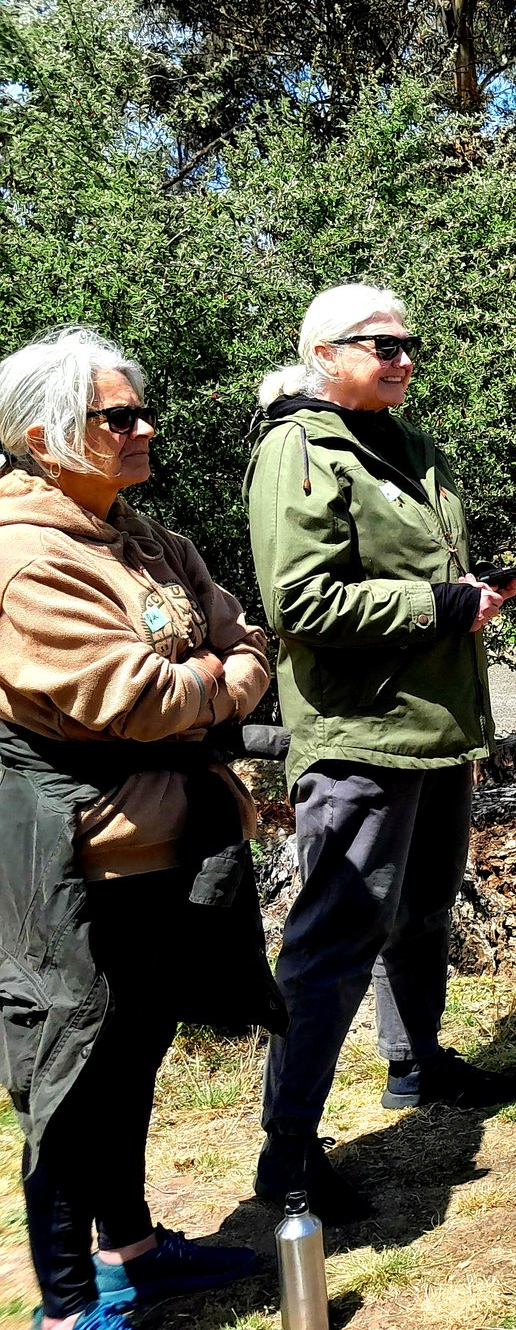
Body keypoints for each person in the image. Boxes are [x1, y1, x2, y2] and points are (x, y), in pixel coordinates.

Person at [0, 327, 281, 1330]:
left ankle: (131, 1248)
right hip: (81, 857)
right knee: (69, 1076)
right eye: (117, 417)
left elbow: (243, 639)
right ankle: (71, 1309)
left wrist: (207, 678)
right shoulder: (25, 558)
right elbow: (134, 693)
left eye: (138, 409)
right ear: (44, 437)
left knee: (133, 1057)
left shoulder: (145, 539)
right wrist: (207, 683)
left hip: (166, 839)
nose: (143, 427)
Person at [244, 283, 516, 1223]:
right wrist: (439, 607)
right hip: (361, 735)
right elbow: (298, 604)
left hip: (434, 723)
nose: (403, 358)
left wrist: (466, 592)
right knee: (331, 944)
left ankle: (417, 1062)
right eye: (381, 345)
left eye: (410, 344)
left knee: (425, 908)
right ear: (324, 353)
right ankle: (288, 1157)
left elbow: (415, 569)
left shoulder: (406, 444)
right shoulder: (299, 450)